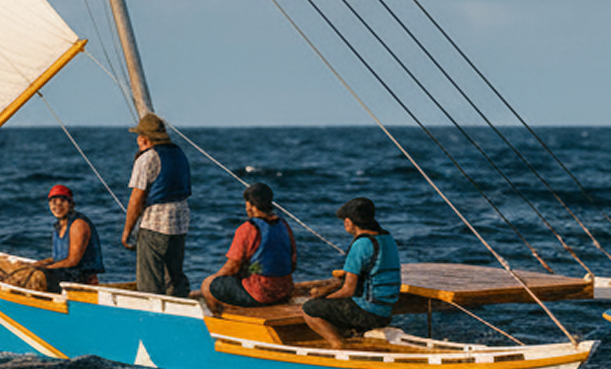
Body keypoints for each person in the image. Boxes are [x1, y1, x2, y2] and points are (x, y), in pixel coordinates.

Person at [301, 196, 401, 348]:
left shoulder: (361, 244)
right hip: (386, 310)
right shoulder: (387, 238)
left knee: (309, 309)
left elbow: (348, 290)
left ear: (348, 222)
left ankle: (338, 345)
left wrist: (324, 298)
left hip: (368, 313)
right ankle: (351, 335)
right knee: (330, 303)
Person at [120, 112, 191, 296]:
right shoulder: (179, 153)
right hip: (180, 222)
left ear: (144, 139)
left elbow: (137, 198)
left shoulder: (147, 158)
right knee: (174, 276)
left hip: (155, 224)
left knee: (149, 279)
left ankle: (151, 315)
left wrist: (127, 230)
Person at [201, 182, 297, 314]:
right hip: (284, 291)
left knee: (207, 285)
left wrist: (214, 279)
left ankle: (219, 322)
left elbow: (232, 267)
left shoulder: (248, 228)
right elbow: (293, 263)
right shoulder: (284, 225)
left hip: (260, 294)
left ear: (250, 206)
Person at [22, 183, 104, 292]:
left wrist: (45, 269)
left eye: (63, 201)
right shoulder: (58, 226)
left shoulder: (78, 224)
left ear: (72, 204)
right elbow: (57, 258)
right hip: (66, 274)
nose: (58, 205)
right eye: (54, 202)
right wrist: (35, 265)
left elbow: (72, 261)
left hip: (81, 280)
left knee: (38, 277)